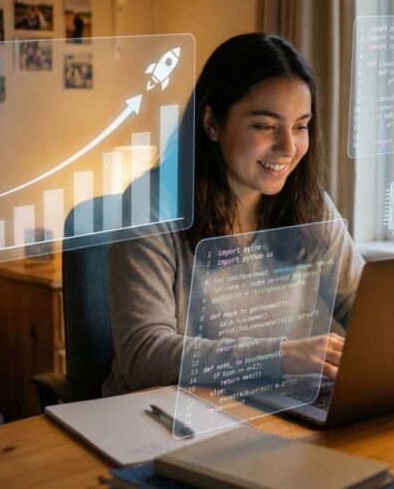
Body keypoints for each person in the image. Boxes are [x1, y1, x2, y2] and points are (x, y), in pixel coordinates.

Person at [102, 33, 364, 396]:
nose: (289, 147)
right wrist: (279, 356)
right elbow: (144, 355)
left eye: (300, 126)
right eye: (265, 126)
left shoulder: (309, 203)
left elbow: (362, 303)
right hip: (162, 415)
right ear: (212, 123)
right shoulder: (150, 205)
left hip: (272, 406)